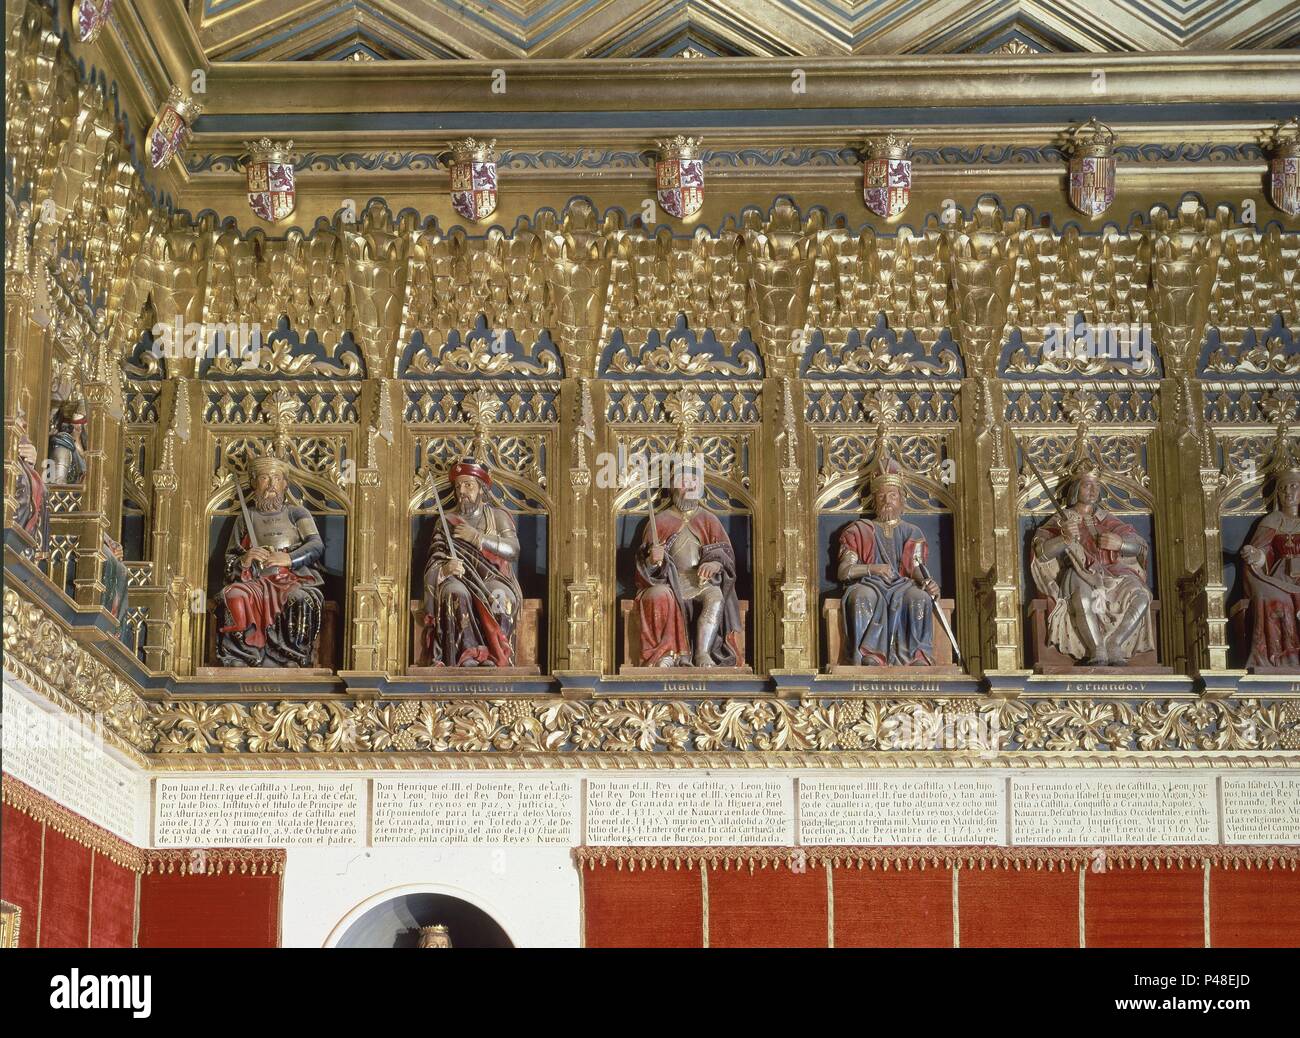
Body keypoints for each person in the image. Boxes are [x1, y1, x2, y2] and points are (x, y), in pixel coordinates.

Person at [1029, 461, 1153, 666]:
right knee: (1081, 593)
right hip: (1080, 570)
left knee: (1141, 595)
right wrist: (1064, 539)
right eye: (1087, 485)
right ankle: (1097, 648)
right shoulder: (1062, 520)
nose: (1093, 490)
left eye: (1096, 486)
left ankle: (1115, 641)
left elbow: (1140, 547)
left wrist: (1120, 543)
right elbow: (1041, 553)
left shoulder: (1107, 519)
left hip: (1112, 572)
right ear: (1076, 489)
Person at [217, 454, 325, 667]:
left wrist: (288, 558)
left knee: (299, 599)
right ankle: (244, 655)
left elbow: (316, 545)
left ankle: (292, 654)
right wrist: (245, 560)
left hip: (291, 579)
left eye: (276, 478)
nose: (271, 484)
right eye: (265, 478)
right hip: (255, 580)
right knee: (233, 595)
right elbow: (230, 558)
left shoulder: (297, 513)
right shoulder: (245, 518)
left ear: (285, 484)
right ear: (254, 483)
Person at [633, 459, 743, 667]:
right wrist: (653, 560)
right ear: (673, 486)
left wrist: (714, 565)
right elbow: (643, 567)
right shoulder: (659, 521)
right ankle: (668, 655)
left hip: (701, 582)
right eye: (684, 481)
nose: (690, 486)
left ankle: (702, 652)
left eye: (695, 481)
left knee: (716, 596)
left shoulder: (709, 519)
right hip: (671, 581)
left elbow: (725, 555)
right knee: (659, 595)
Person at [836, 462, 939, 665]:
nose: (887, 501)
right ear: (874, 500)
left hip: (903, 585)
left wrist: (928, 582)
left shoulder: (913, 532)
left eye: (892, 495)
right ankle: (869, 654)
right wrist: (873, 569)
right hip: (869, 584)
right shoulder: (858, 530)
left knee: (919, 597)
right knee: (861, 596)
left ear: (902, 499)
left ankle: (916, 655)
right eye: (881, 496)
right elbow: (844, 571)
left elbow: (916, 568)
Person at [422, 458, 522, 667]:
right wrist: (444, 569)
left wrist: (477, 537)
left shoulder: (497, 516)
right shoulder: (446, 521)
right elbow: (434, 557)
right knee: (455, 594)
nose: (462, 491)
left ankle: (496, 655)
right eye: (458, 486)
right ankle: (466, 653)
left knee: (501, 597)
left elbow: (513, 550)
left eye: (468, 484)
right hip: (457, 577)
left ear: (482, 488)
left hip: (491, 577)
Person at [1241, 466, 1300, 668]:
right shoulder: (1273, 520)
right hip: (1281, 577)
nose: (1288, 493)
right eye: (1283, 488)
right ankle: (1283, 658)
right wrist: (1256, 555)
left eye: (1293, 486)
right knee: (1277, 600)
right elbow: (1262, 550)